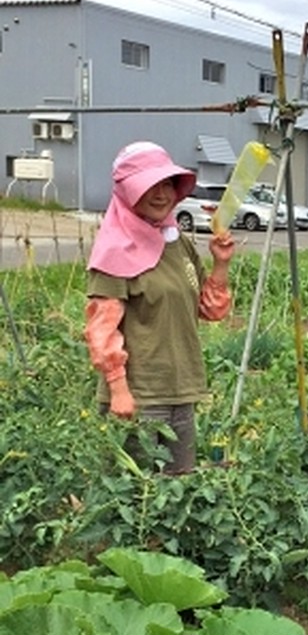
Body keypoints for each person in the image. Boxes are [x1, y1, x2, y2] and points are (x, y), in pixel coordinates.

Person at [84, 141, 235, 474]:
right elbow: (102, 330)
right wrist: (119, 390)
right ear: (127, 192)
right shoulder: (114, 251)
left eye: (166, 183)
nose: (161, 194)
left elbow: (210, 310)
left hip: (182, 389)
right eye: (149, 186)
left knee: (179, 492)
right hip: (140, 397)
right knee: (137, 498)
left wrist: (220, 265)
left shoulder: (176, 241)